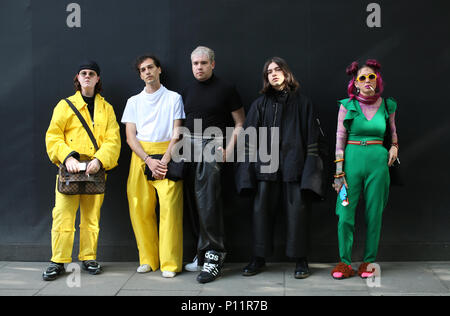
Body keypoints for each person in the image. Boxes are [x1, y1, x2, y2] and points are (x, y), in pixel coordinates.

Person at [235, 57, 325, 279]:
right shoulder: (259, 105)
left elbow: (312, 138)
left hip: (295, 166)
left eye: (277, 70)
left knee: (298, 214)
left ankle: (300, 259)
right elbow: (248, 141)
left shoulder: (303, 103)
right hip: (265, 168)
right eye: (269, 72)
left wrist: (310, 173)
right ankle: (258, 257)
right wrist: (247, 174)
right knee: (261, 213)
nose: (273, 74)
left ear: (286, 72)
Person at [43, 61, 121, 280]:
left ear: (98, 79)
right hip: (70, 170)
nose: (87, 76)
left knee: (91, 217)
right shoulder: (65, 105)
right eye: (84, 73)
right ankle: (58, 260)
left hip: (95, 170)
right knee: (62, 216)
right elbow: (53, 135)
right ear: (77, 78)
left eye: (92, 73)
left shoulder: (106, 108)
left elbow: (114, 138)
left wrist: (101, 159)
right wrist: (67, 156)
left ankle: (89, 256)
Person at [182, 46, 245, 283]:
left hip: (212, 147)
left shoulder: (226, 88)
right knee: (192, 205)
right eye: (195, 64)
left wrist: (229, 150)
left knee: (208, 204)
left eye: (203, 63)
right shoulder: (187, 90)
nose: (199, 67)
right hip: (187, 149)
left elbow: (240, 122)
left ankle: (214, 255)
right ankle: (201, 253)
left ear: (213, 64)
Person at [331, 59, 399, 280]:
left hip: (378, 164)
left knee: (374, 213)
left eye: (371, 76)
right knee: (344, 212)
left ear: (377, 80)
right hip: (350, 162)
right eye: (362, 77)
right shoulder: (347, 105)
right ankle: (344, 262)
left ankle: (368, 261)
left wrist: (394, 147)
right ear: (355, 83)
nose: (368, 80)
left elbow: (393, 133)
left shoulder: (388, 105)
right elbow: (339, 140)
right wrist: (339, 173)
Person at [122, 55, 185, 278]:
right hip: (141, 155)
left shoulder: (174, 98)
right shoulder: (133, 102)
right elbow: (130, 137)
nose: (147, 72)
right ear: (140, 75)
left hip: (168, 153)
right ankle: (148, 259)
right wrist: (148, 159)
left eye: (150, 67)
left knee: (170, 210)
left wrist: (165, 159)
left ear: (159, 70)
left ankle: (170, 263)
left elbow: (177, 132)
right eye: (142, 70)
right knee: (140, 208)